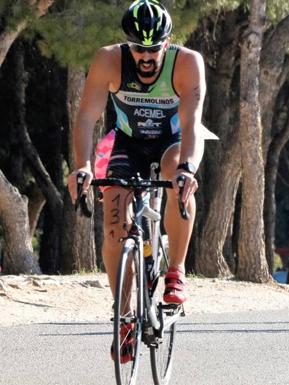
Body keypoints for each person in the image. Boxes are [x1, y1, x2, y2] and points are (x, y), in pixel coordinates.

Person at [66, 0, 205, 361]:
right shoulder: (109, 60)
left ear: (168, 41)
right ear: (127, 44)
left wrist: (189, 169)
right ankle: (124, 314)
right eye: (138, 49)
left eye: (154, 49)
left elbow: (192, 126)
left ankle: (175, 271)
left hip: (173, 142)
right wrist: (81, 166)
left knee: (178, 179)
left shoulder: (187, 62)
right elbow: (85, 118)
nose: (146, 57)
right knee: (114, 225)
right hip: (126, 142)